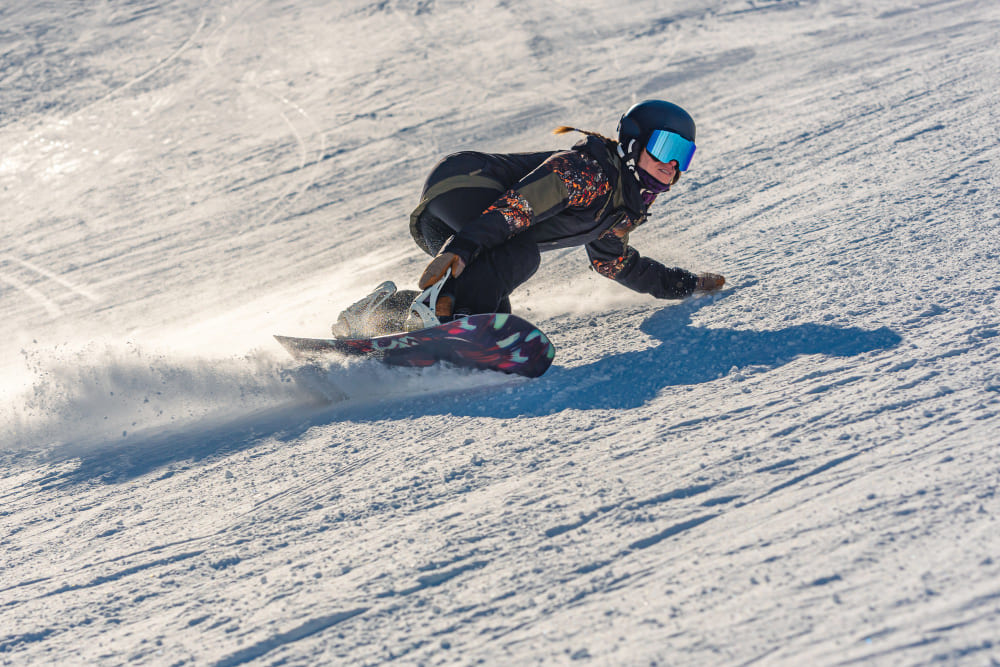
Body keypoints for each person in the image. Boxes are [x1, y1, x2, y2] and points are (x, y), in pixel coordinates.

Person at [332, 99, 725, 339]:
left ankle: (377, 315)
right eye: (665, 147)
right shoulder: (588, 172)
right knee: (520, 254)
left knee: (492, 315)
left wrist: (681, 284)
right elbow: (520, 206)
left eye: (683, 156)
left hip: (474, 229)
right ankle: (446, 318)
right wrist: (465, 246)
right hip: (462, 187)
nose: (672, 165)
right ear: (634, 144)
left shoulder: (619, 210)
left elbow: (614, 262)